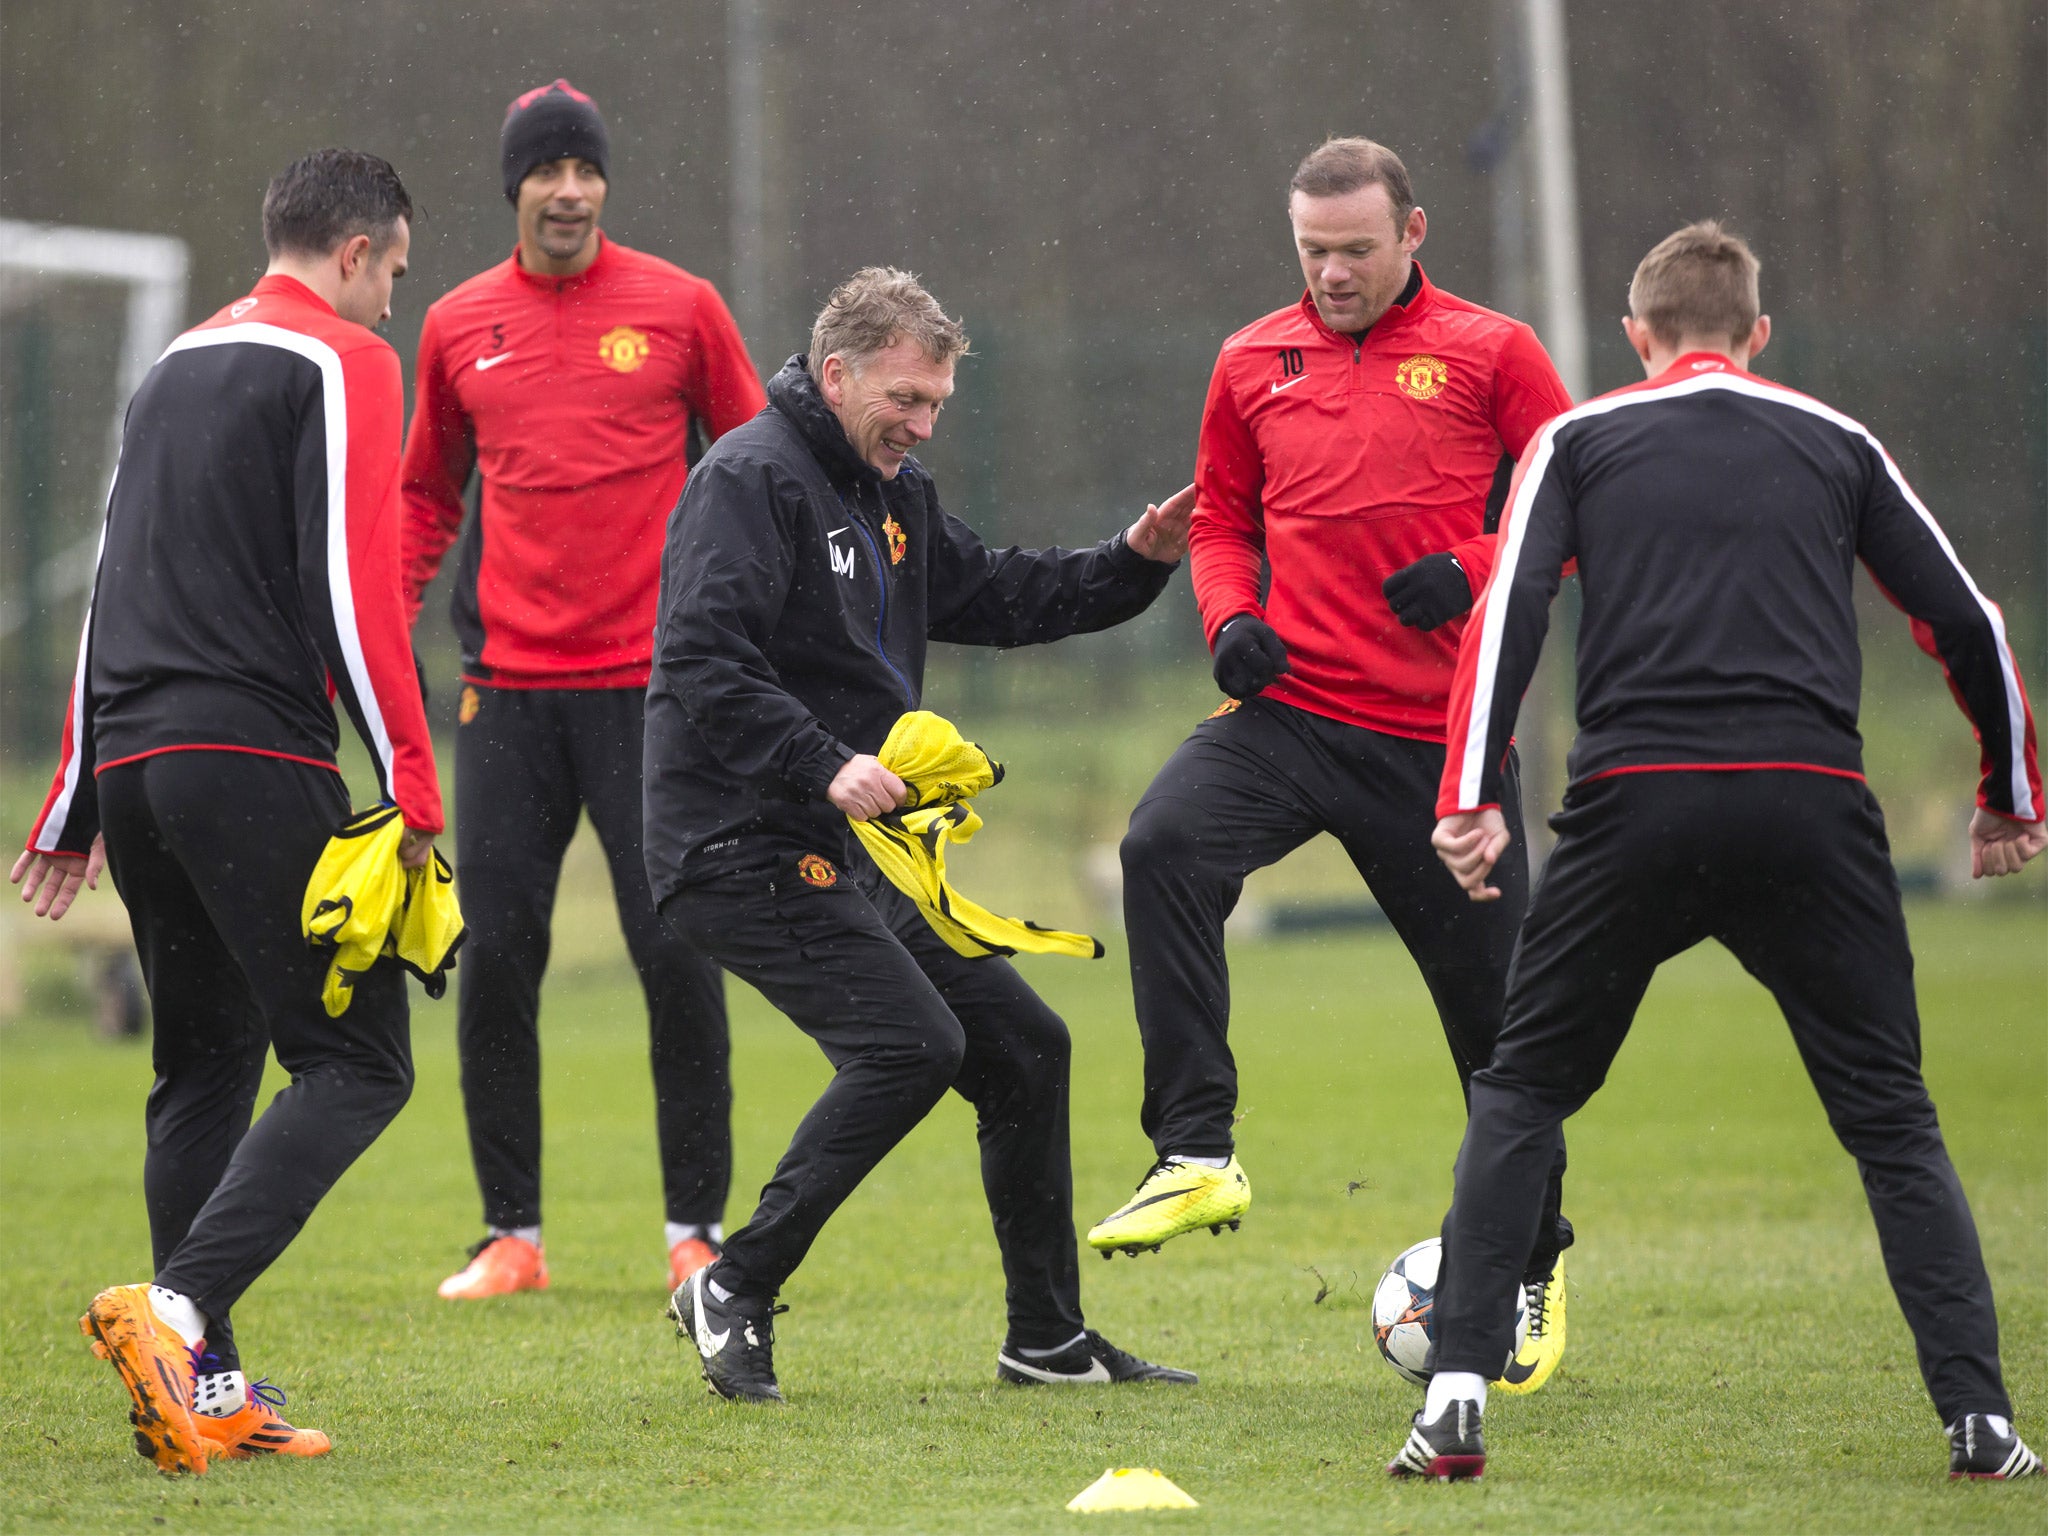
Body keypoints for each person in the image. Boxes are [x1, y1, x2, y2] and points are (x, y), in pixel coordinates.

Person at [1389, 221, 2045, 1483]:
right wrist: (2006, 790)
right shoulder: (1836, 441)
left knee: (1522, 1090)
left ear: (1635, 340)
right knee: (1892, 1121)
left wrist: (1466, 795)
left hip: (1635, 805)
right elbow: (1964, 615)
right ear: (1756, 336)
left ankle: (1457, 1391)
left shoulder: (1576, 441)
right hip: (1809, 805)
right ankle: (1980, 1421)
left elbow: (1510, 604)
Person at [646, 267, 1198, 1403]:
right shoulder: (749, 478)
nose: (921, 423)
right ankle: (732, 1284)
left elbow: (993, 594)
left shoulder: (891, 497)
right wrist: (821, 760)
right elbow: (701, 657)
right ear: (835, 372)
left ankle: (1044, 1339)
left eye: (937, 403)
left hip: (834, 844)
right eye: (903, 397)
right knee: (911, 1044)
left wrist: (1131, 564)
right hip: (731, 840)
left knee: (1022, 1047)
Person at [1092, 137, 1577, 1393]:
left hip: (1440, 742)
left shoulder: (1493, 353)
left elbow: (1580, 506)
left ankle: (1528, 1263)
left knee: (1499, 1037)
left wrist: (1473, 570)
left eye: (1355, 249)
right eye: (1311, 251)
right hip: (1293, 715)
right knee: (1162, 844)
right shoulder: (1251, 359)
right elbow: (1218, 518)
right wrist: (1228, 621)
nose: (1331, 272)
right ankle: (1195, 1148)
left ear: (1412, 232)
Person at [12, 150, 441, 1474]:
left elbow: (109, 589)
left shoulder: (174, 365)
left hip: (141, 763)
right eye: (395, 280)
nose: (392, 310)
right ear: (361, 253)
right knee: (359, 1060)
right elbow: (352, 583)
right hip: (252, 755)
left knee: (199, 1070)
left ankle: (206, 1391)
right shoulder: (342, 362)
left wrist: (77, 795)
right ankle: (178, 1312)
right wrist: (411, 778)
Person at [401, 79, 767, 1301]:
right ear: (513, 187)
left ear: (605, 181)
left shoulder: (680, 308)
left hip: (655, 697)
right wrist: (382, 608)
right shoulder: (454, 323)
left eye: (584, 170)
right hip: (504, 698)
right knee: (497, 955)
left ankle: (695, 1233)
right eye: (544, 171)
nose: (567, 191)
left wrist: (753, 620)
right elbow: (424, 497)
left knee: (679, 948)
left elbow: (755, 466)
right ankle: (511, 1235)